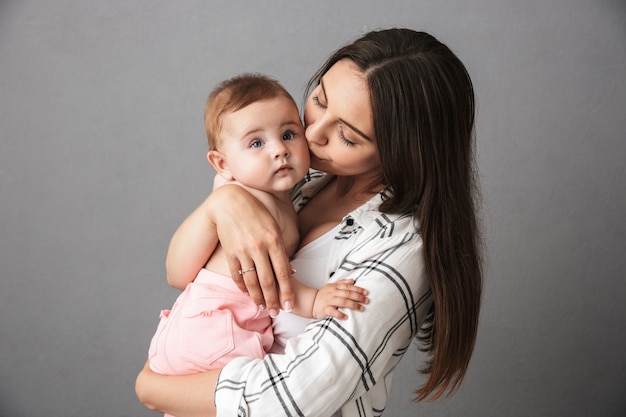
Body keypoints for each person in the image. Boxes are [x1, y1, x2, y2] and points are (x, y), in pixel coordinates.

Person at [136, 28, 483, 417]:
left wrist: (153, 388)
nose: (309, 134)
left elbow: (287, 399)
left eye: (347, 137)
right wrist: (225, 201)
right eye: (318, 100)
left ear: (404, 153)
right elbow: (182, 272)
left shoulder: (401, 249)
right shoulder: (300, 186)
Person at [147, 73, 370, 411]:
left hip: (193, 328)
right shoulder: (253, 204)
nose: (280, 150)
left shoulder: (279, 192)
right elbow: (273, 283)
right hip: (219, 330)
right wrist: (317, 301)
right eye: (256, 143)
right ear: (223, 164)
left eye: (289, 134)